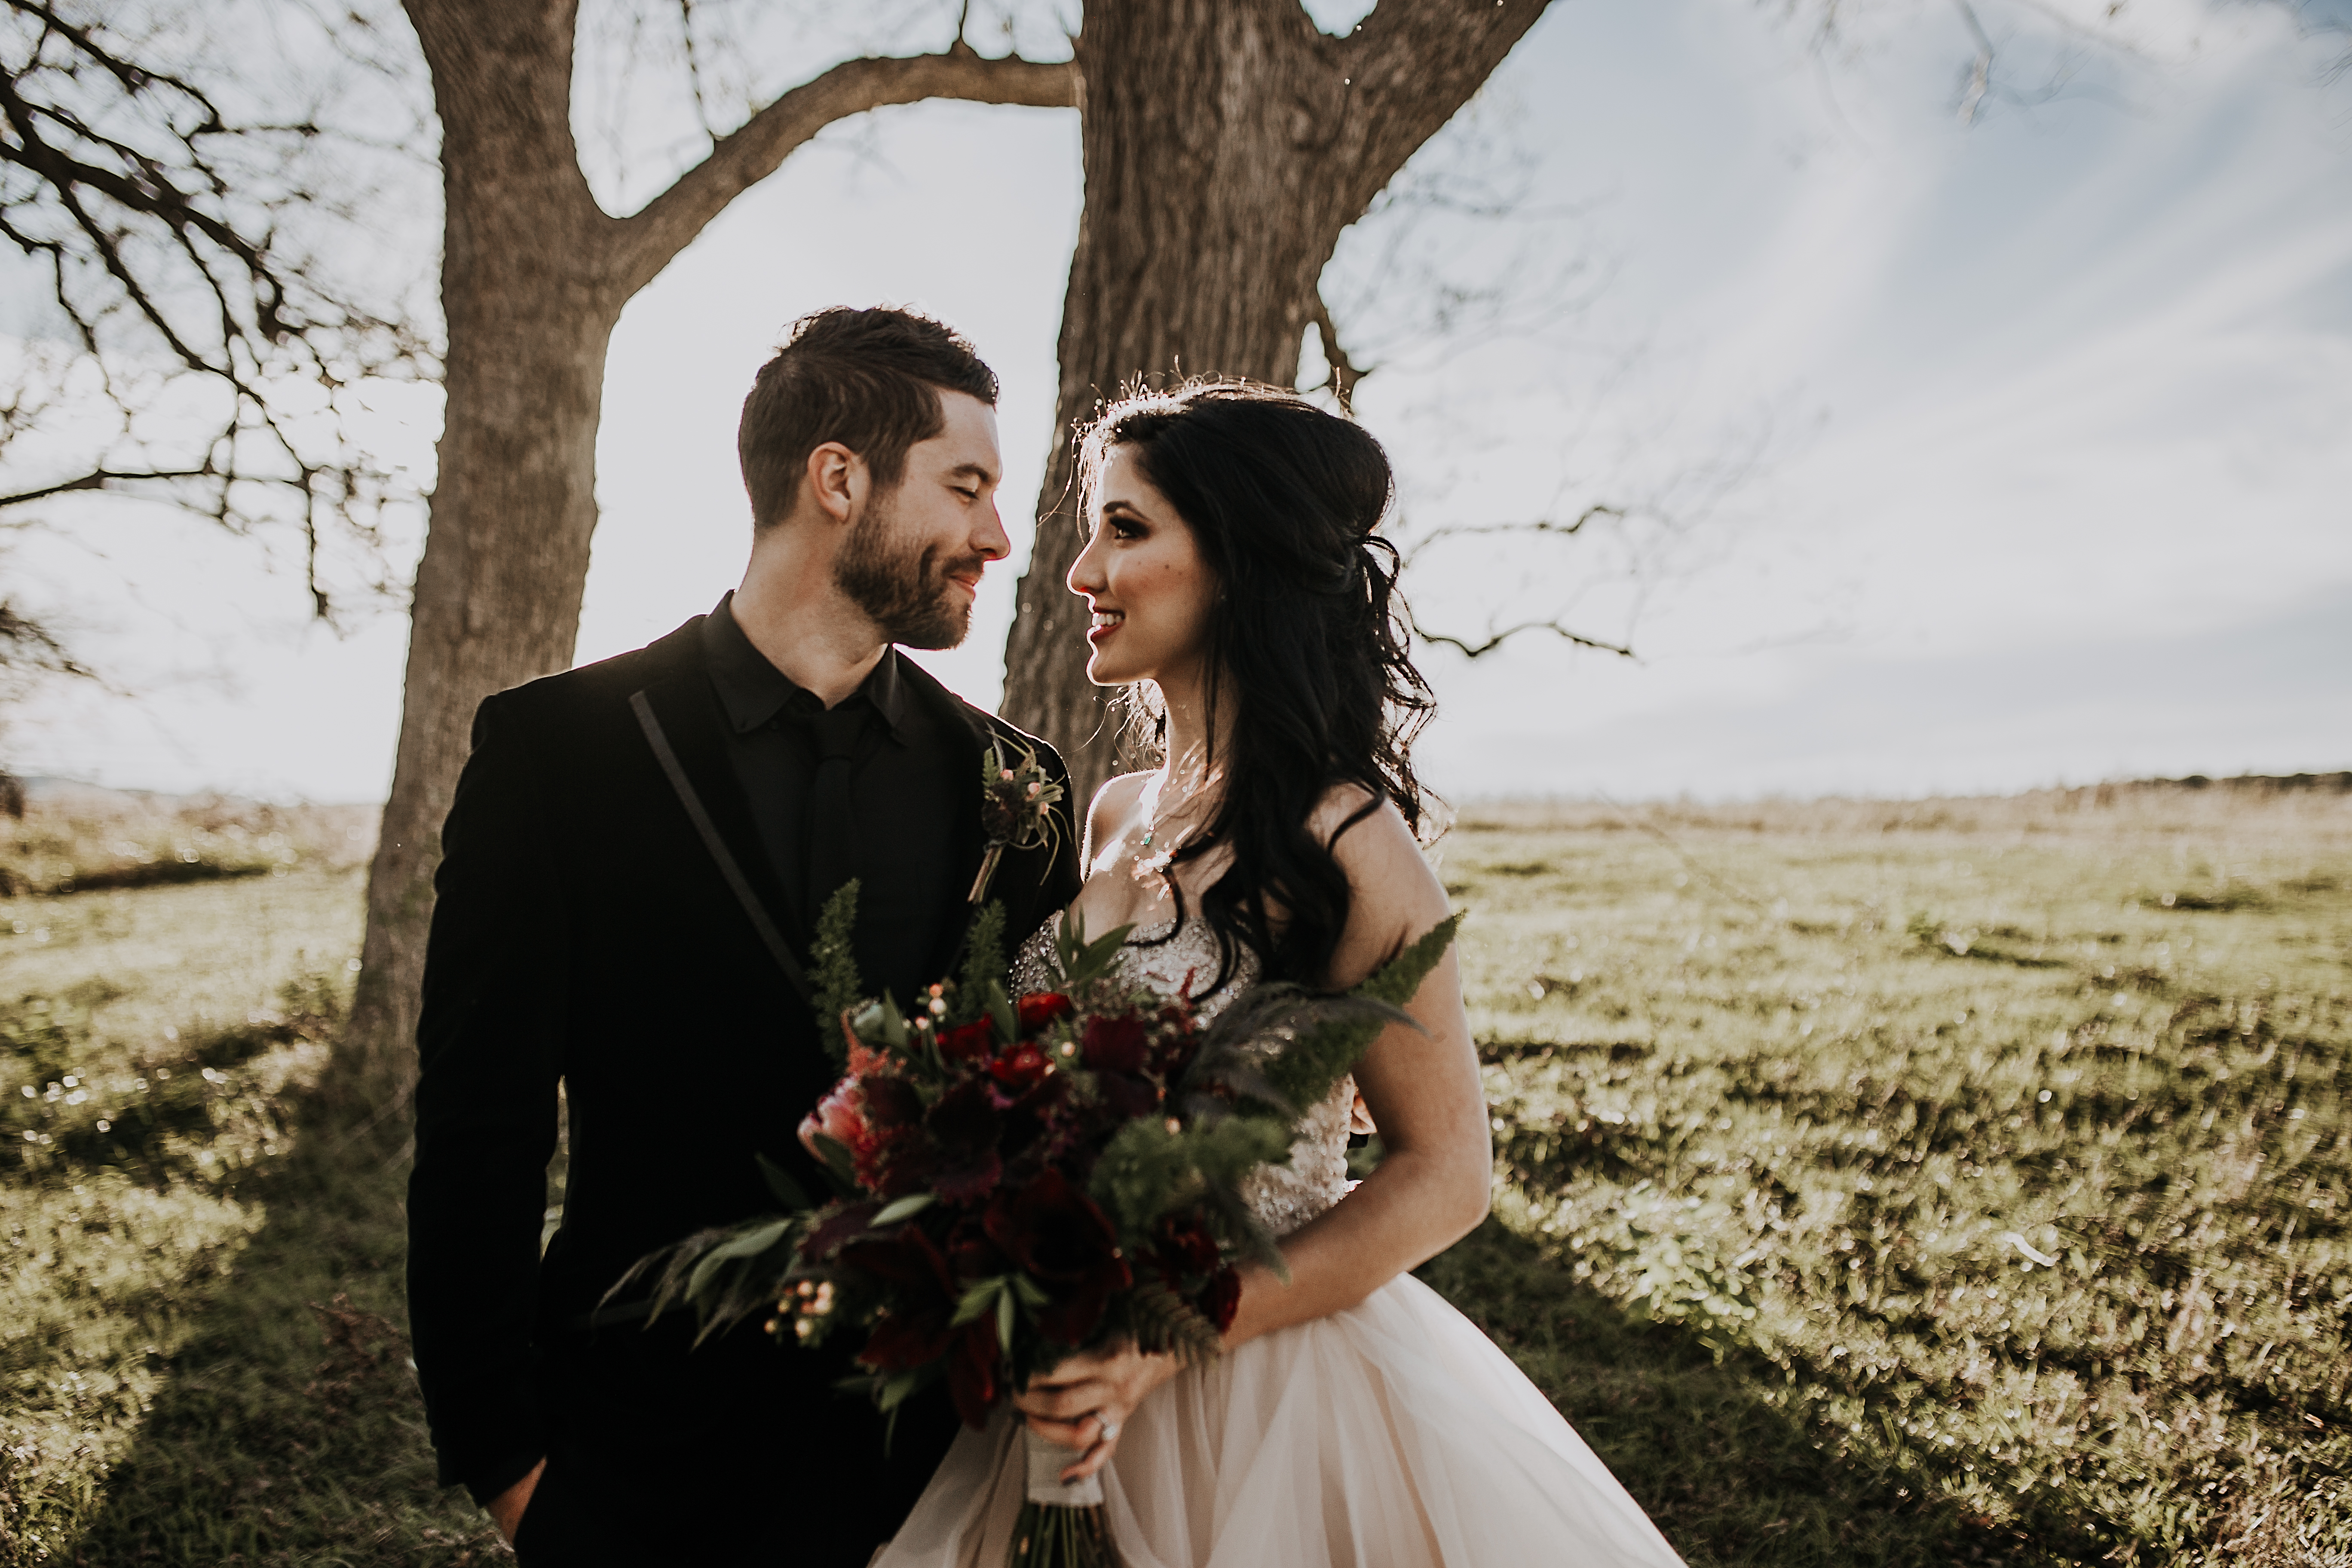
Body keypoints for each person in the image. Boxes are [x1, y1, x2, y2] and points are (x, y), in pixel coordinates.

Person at [875, 382, 1689, 1566]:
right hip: (1057, 1376)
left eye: (1128, 528)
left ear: (1240, 560)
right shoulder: (1110, 815)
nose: (1080, 573)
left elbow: (1447, 1174)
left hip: (1262, 1387)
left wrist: (1167, 1340)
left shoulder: (1351, 842)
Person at [405, 306, 1082, 1567]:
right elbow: (477, 1127)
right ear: (839, 478)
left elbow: (1054, 1123)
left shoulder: (1016, 784)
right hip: (634, 1444)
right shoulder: (557, 751)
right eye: (968, 486)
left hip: (934, 1460)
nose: (996, 534)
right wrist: (505, 1461)